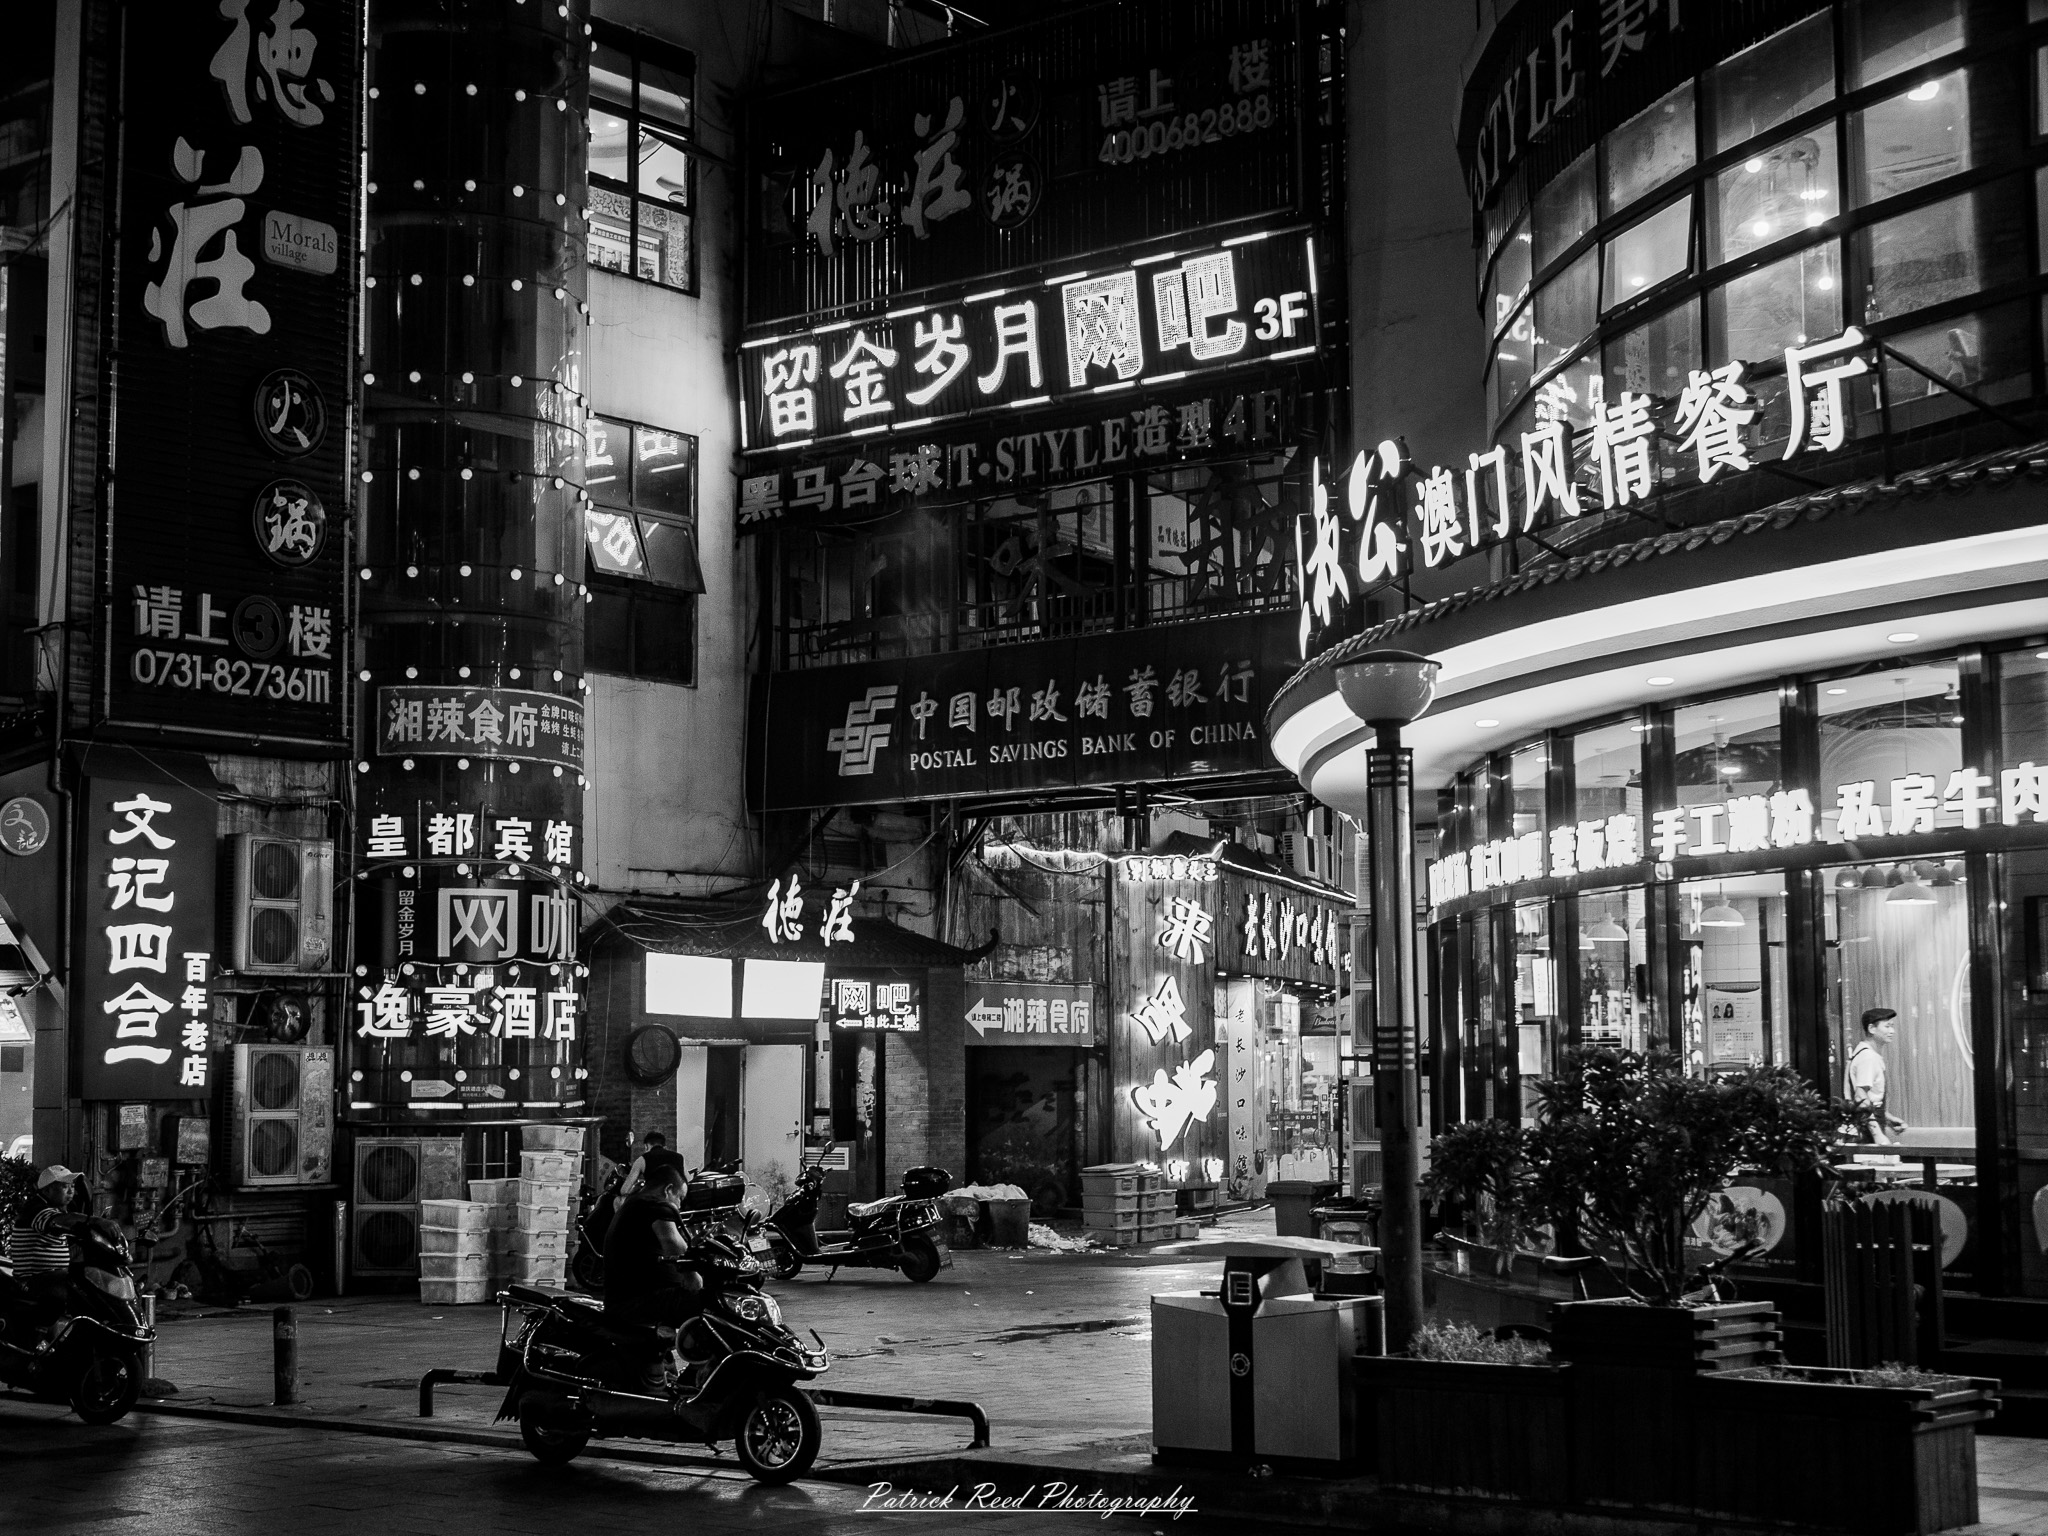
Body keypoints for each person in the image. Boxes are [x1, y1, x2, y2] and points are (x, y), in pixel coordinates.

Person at [603, 1160, 701, 1389]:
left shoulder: (635, 1203)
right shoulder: (654, 1206)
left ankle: (685, 1377)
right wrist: (693, 1274)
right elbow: (674, 1245)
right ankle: (697, 1375)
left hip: (632, 1298)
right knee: (708, 1305)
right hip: (639, 1301)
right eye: (680, 1198)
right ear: (668, 1190)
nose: (679, 1205)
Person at [1, 1165, 90, 1319]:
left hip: (50, 1277)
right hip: (34, 1281)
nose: (71, 1192)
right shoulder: (36, 1209)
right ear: (47, 1190)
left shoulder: (55, 1210)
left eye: (72, 1186)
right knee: (78, 1291)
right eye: (64, 1187)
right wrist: (97, 1222)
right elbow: (56, 1221)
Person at [1845, 1008, 1907, 1144]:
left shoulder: (1864, 1053)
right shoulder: (1868, 1057)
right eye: (1887, 1026)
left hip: (1866, 1124)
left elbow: (1870, 1098)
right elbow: (1861, 1097)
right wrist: (1877, 1134)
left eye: (1892, 1026)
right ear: (1872, 1028)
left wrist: (1888, 1118)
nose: (1892, 1031)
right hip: (1864, 1131)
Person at [618, 1129, 689, 1199]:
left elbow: (624, 1190)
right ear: (664, 1146)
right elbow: (688, 1180)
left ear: (646, 1146)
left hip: (654, 1201)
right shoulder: (679, 1157)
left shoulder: (642, 1159)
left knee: (619, 1200)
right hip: (678, 1200)